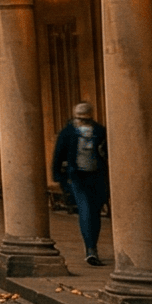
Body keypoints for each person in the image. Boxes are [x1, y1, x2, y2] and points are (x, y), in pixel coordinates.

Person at [50, 101, 112, 266]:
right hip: (85, 177)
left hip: (87, 176)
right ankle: (91, 248)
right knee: (89, 210)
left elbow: (58, 154)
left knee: (91, 211)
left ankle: (91, 247)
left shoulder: (71, 131)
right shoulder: (97, 130)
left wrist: (58, 176)